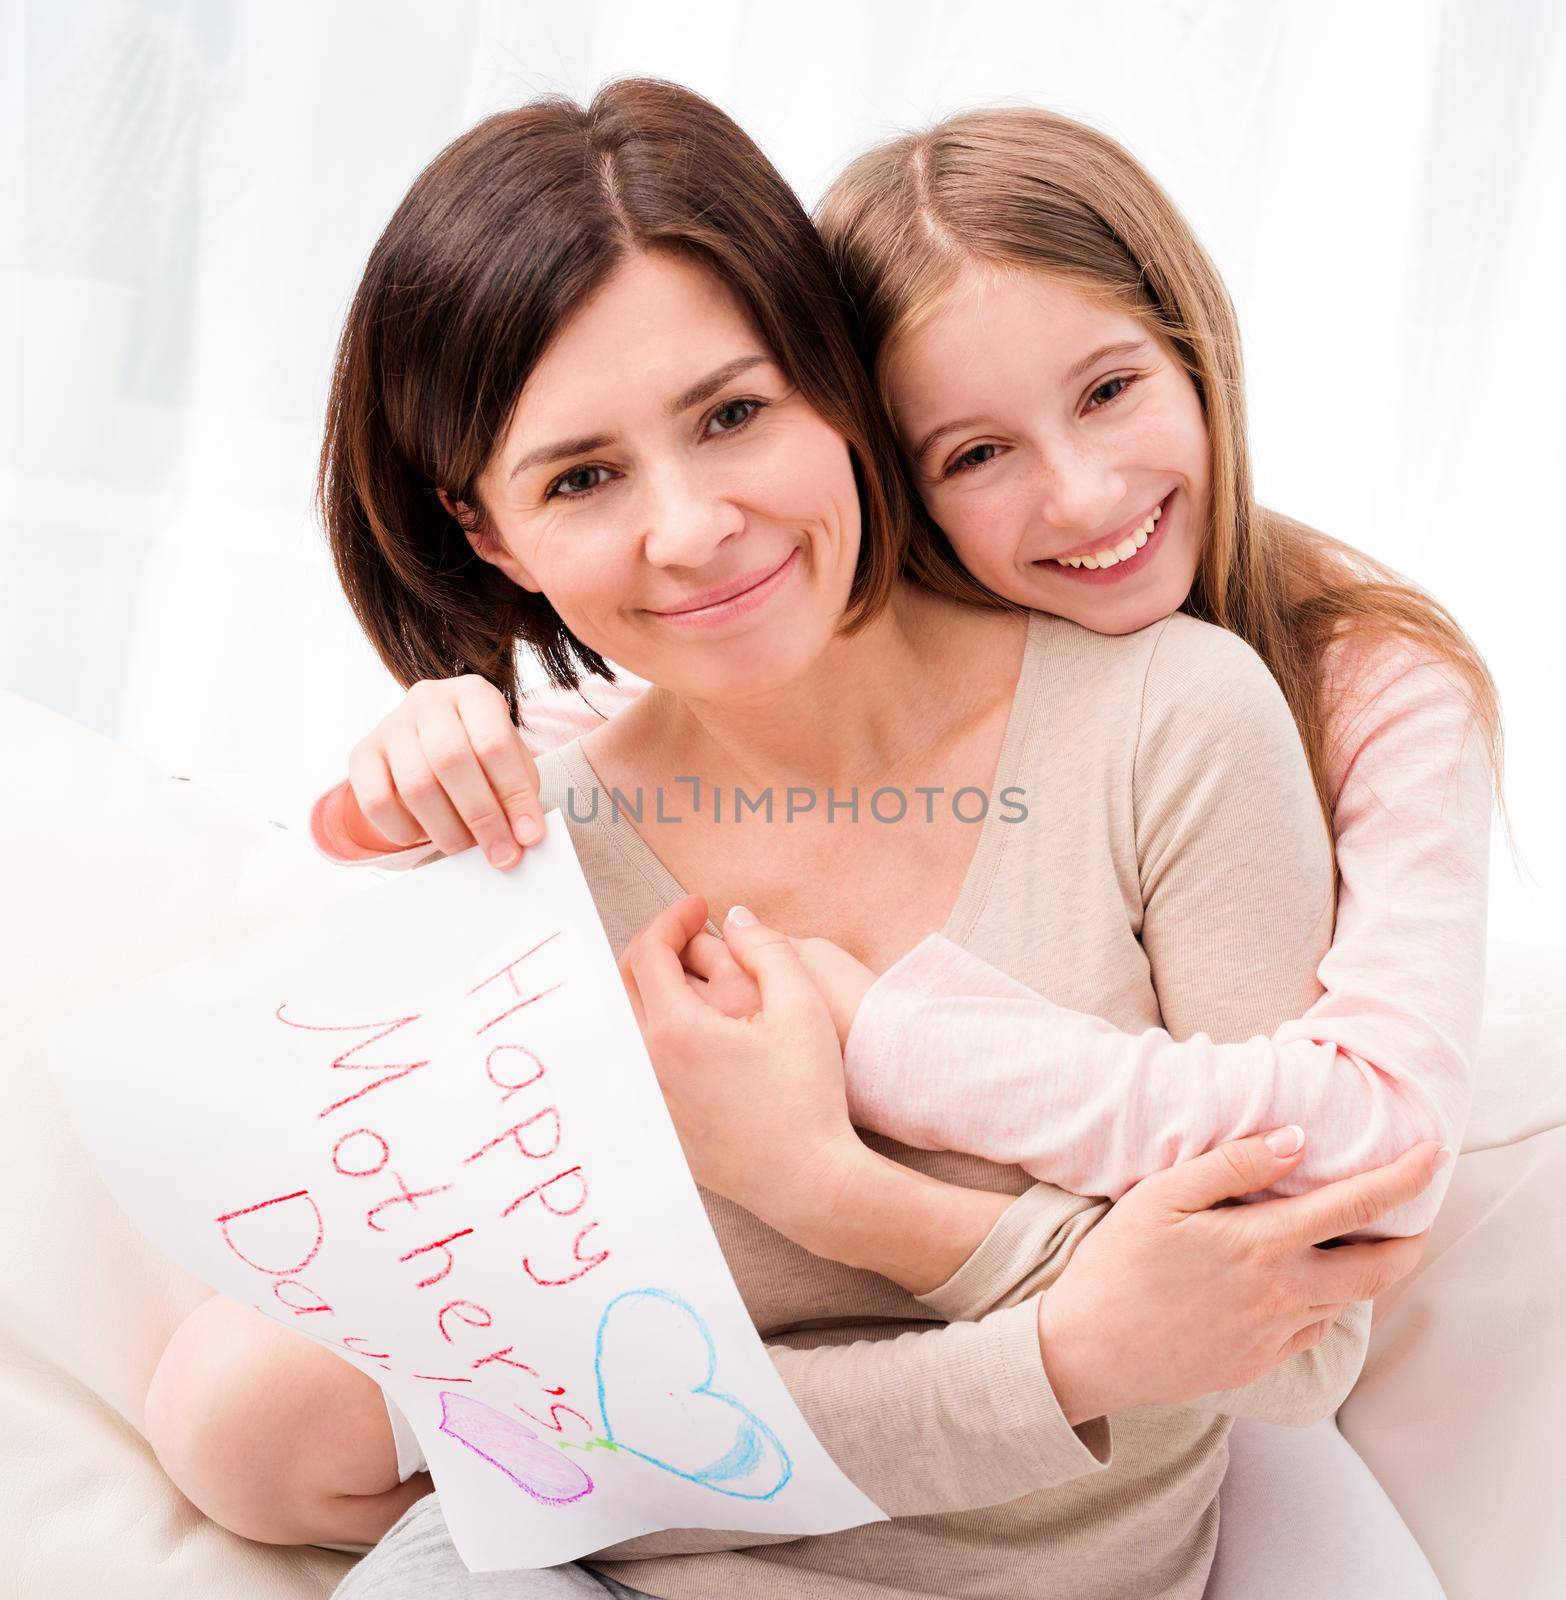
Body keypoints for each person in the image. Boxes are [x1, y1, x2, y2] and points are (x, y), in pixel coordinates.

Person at [143, 80, 1443, 1600]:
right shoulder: (518, 846)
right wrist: (1065, 1348)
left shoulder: (1170, 724)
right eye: (581, 477)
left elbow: (1287, 1343)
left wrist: (830, 1192)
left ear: (841, 387)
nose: (692, 527)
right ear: (491, 534)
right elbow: (535, 1439)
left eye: (733, 413)